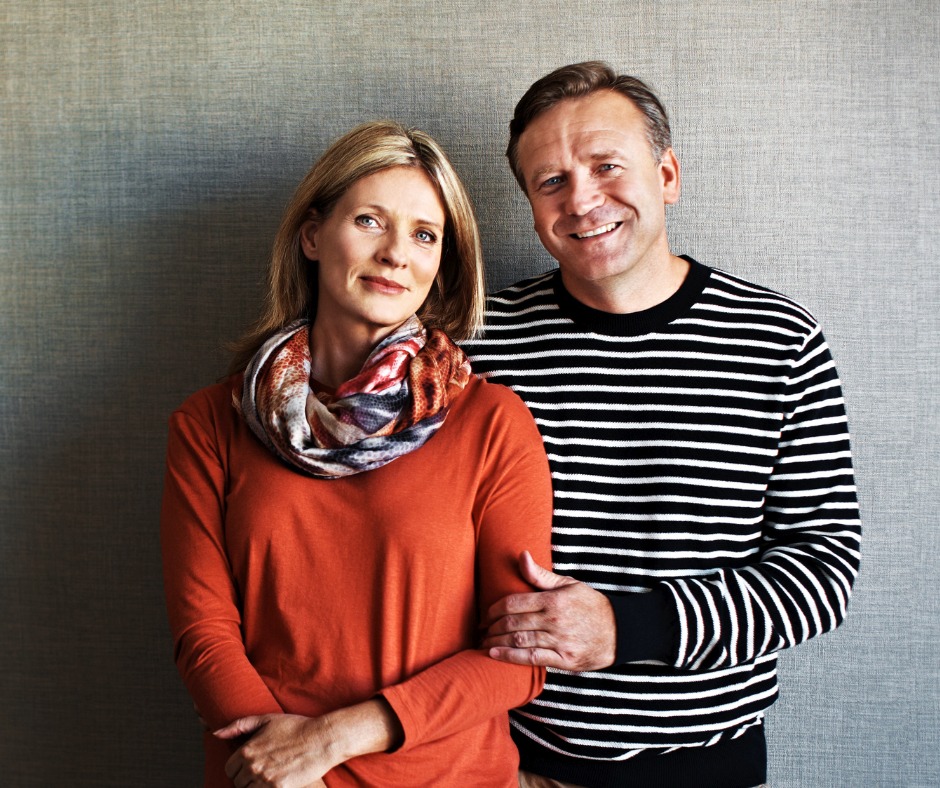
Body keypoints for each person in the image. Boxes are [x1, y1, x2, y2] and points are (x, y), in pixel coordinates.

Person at [463, 62, 862, 788]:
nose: (582, 201)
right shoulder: (478, 343)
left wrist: (629, 626)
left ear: (667, 174)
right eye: (550, 181)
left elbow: (824, 567)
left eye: (607, 166)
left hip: (705, 768)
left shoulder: (777, 339)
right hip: (507, 765)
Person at [160, 120, 554, 787]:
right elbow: (203, 636)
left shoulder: (492, 421)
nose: (397, 253)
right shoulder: (209, 423)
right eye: (371, 221)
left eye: (424, 235)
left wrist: (333, 739)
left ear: (441, 265)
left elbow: (519, 653)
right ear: (313, 236)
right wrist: (298, 774)